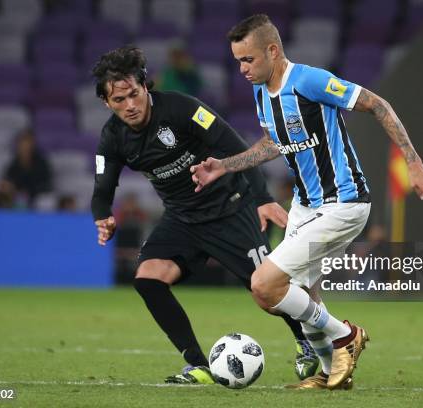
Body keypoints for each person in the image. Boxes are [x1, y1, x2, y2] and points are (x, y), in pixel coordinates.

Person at [191, 14, 423, 390]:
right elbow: (273, 143)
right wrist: (224, 167)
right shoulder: (261, 89)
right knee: (291, 297)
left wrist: (414, 163)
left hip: (343, 202)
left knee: (264, 284)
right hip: (305, 204)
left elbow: (378, 105)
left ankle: (346, 335)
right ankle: (334, 374)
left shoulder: (309, 81)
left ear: (272, 50)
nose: (242, 69)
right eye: (238, 62)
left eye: (248, 60)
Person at [90, 46, 319, 384]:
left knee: (267, 294)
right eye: (119, 100)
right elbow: (102, 186)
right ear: (106, 103)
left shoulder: (182, 109)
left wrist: (262, 198)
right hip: (182, 218)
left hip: (230, 207)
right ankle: (198, 365)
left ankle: (308, 341)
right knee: (148, 279)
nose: (130, 105)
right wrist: (103, 216)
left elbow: (236, 147)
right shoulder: (112, 137)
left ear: (145, 87)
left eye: (134, 95)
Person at [2, 129, 53, 208]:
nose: (24, 146)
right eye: (22, 143)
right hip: (16, 195)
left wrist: (29, 192)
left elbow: (47, 184)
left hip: (36, 195)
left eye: (27, 143)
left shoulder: (41, 163)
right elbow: (8, 179)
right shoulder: (14, 162)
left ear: (32, 144)